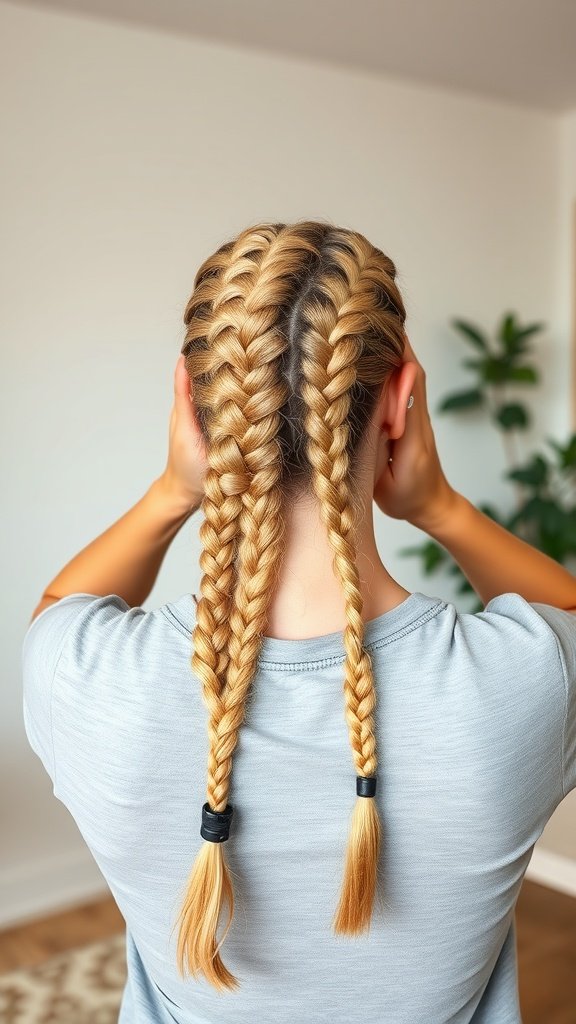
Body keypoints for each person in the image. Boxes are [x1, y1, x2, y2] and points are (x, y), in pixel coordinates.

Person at [21, 219, 576, 1024]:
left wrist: (174, 491)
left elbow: (58, 612)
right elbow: (564, 609)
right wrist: (439, 506)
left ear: (196, 405)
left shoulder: (80, 676)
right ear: (399, 401)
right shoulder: (525, 682)